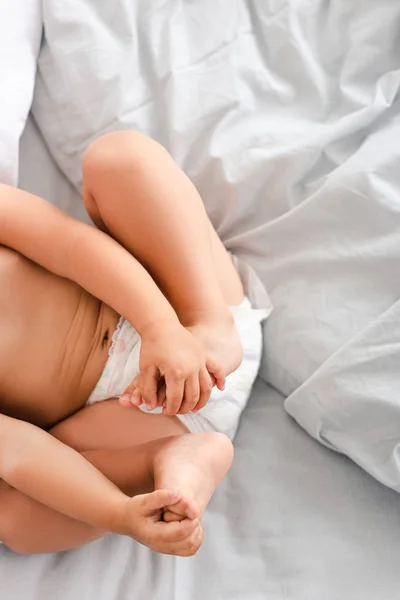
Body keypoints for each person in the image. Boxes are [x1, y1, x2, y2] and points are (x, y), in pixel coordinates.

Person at [0, 131, 268, 555]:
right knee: (11, 515)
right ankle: (167, 459)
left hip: (184, 305)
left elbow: (68, 244)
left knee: (120, 157)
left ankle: (208, 321)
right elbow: (18, 450)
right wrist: (117, 515)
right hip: (149, 418)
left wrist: (161, 326)